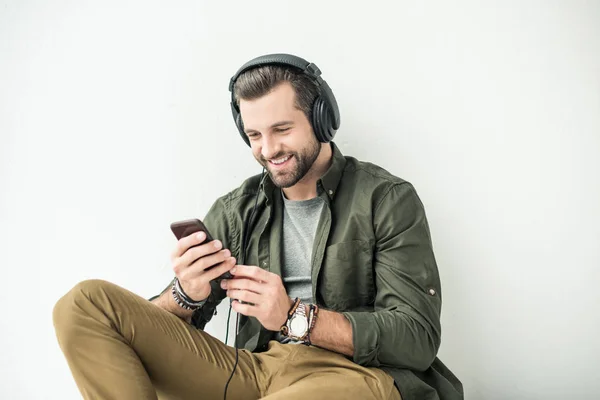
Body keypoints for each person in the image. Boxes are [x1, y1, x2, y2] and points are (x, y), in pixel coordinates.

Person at [53, 53, 463, 400]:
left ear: (321, 120)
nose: (267, 150)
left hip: (355, 375)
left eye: (282, 130)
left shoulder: (386, 199)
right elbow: (158, 330)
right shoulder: (236, 210)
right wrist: (186, 295)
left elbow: (417, 337)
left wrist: (292, 317)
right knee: (83, 305)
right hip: (254, 370)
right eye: (254, 135)